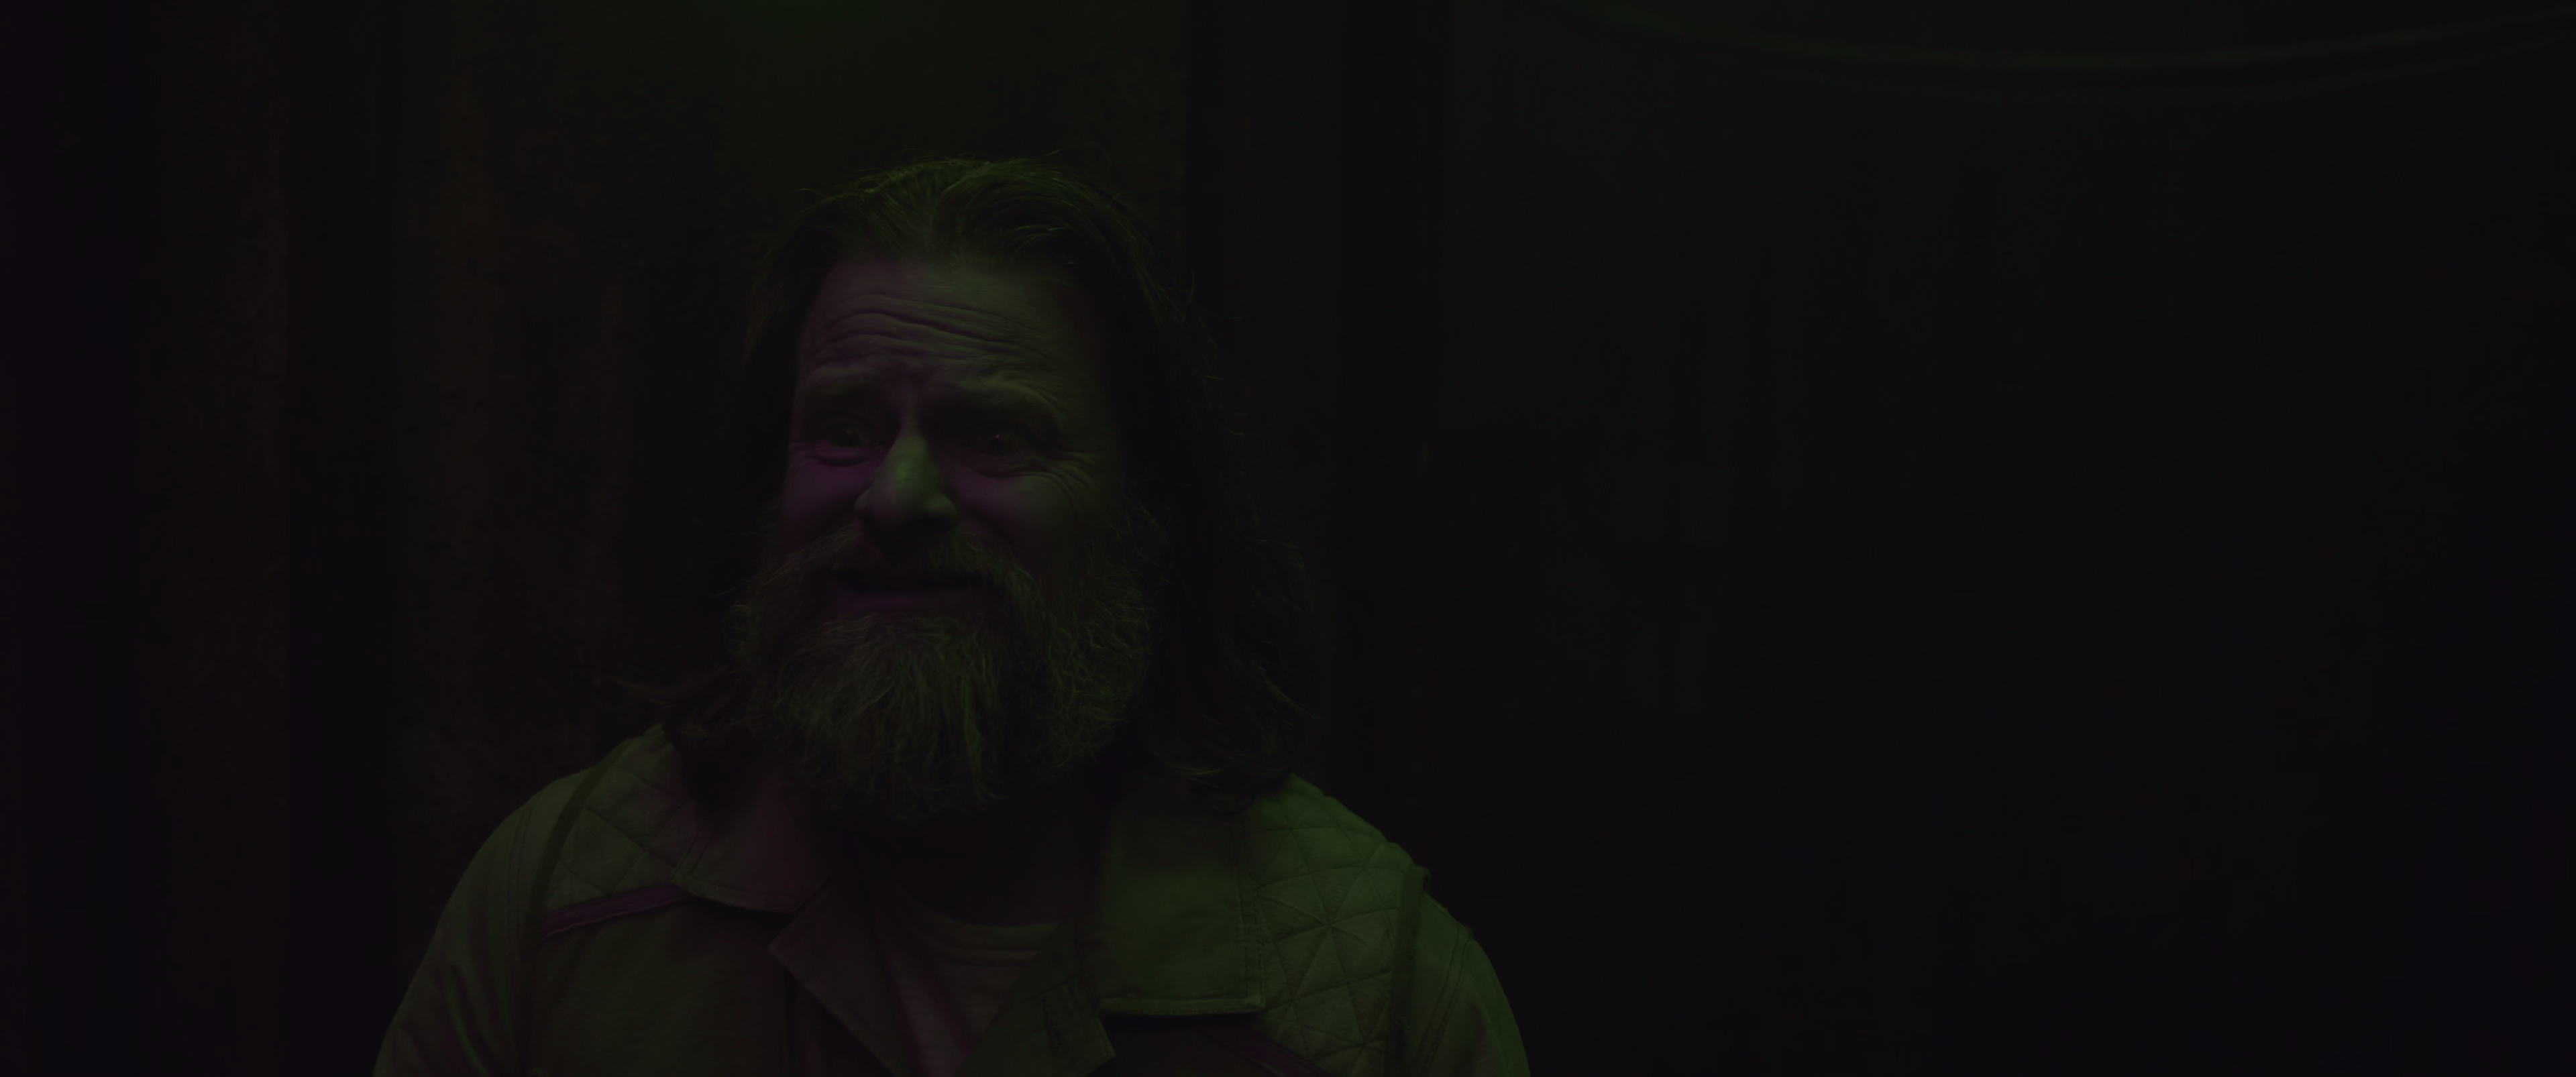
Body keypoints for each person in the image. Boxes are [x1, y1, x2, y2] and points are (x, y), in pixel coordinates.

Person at [374, 156, 1528, 1077]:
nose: (896, 496)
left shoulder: (1374, 995)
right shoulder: (560, 902)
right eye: (843, 427)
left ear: (1150, 516)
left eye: (997, 434)